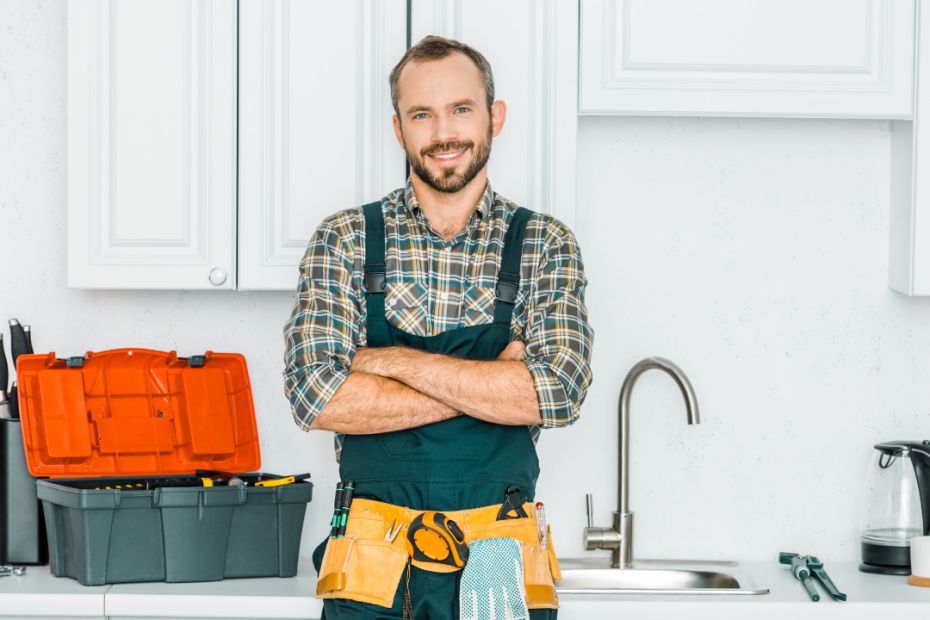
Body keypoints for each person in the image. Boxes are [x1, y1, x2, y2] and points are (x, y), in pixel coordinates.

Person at [284, 35, 593, 620]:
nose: (443, 131)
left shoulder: (545, 245)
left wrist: (382, 361)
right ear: (399, 129)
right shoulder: (344, 239)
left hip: (499, 555)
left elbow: (555, 392)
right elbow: (315, 398)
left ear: (494, 118)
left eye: (461, 109)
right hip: (370, 562)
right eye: (421, 114)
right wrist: (493, 384)